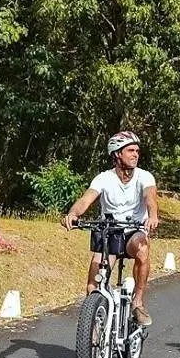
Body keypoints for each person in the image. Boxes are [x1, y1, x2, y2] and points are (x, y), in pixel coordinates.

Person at [62, 131, 159, 326]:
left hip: (134, 229)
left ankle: (138, 303)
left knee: (142, 249)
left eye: (137, 151)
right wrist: (73, 214)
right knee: (93, 285)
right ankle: (94, 328)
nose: (135, 155)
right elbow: (86, 199)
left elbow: (150, 198)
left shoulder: (144, 177)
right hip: (110, 231)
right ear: (117, 154)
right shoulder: (104, 178)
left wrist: (153, 216)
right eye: (130, 150)